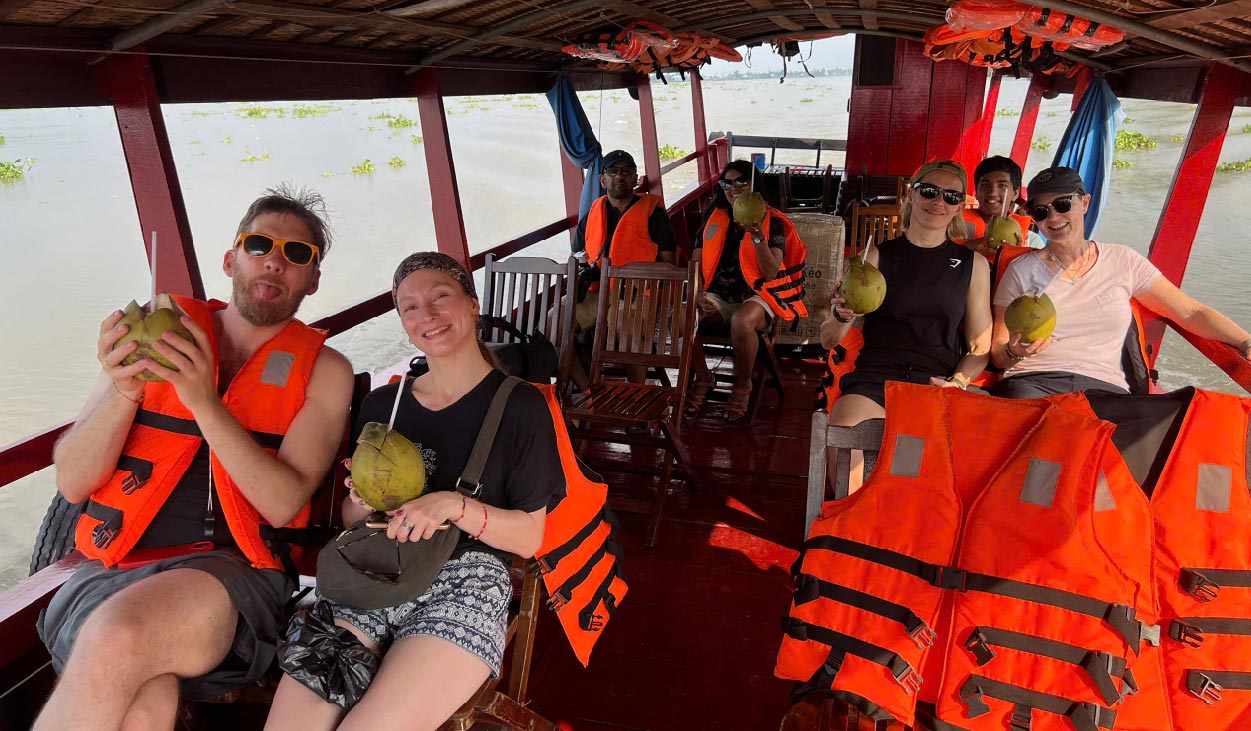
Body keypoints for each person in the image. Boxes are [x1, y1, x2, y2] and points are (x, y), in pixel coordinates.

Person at [35, 186, 355, 731]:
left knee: (117, 635)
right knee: (146, 706)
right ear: (231, 260)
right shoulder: (153, 335)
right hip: (112, 564)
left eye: (297, 254)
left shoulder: (325, 371)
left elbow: (281, 504)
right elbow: (73, 481)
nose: (275, 261)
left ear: (312, 280)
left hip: (231, 574)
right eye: (260, 244)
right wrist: (125, 389)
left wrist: (203, 401)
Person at [265, 252, 564, 731]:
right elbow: (353, 521)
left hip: (467, 581)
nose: (427, 314)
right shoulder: (386, 403)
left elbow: (530, 539)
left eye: (440, 297)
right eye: (410, 307)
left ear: (472, 303)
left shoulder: (520, 404)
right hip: (374, 571)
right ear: (403, 323)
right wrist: (361, 502)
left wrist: (454, 505)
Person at [991, 165, 1251, 398]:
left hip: (1105, 389)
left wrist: (1245, 340)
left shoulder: (1123, 260)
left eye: (1062, 204)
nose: (1053, 217)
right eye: (1041, 211)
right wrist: (1015, 352)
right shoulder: (1021, 271)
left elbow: (1191, 312)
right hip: (1034, 382)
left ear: (1085, 202)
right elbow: (998, 354)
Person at [821, 158, 992, 428]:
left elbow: (979, 349)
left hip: (937, 381)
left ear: (959, 207)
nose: (939, 201)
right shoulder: (873, 259)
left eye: (951, 196)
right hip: (877, 380)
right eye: (929, 191)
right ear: (911, 195)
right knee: (845, 438)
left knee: (930, 451)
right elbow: (828, 339)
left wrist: (957, 383)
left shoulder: (973, 265)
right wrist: (842, 315)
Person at [686, 160, 807, 422]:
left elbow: (771, 273)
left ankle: (743, 385)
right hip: (719, 294)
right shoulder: (714, 216)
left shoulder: (773, 221)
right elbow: (695, 261)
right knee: (683, 318)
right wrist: (696, 294)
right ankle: (704, 377)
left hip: (759, 295)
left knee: (742, 321)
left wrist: (757, 236)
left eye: (742, 181)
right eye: (727, 183)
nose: (734, 188)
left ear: (755, 186)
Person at [566, 149, 677, 388]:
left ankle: (637, 391)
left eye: (626, 172)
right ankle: (585, 390)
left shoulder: (654, 215)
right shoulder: (592, 214)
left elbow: (669, 263)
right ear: (602, 180)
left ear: (635, 179)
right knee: (555, 321)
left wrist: (640, 277)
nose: (619, 176)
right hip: (597, 292)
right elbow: (576, 256)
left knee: (624, 325)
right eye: (613, 171)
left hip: (637, 293)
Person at [958, 155, 1044, 255]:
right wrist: (962, 251)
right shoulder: (952, 226)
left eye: (1002, 185)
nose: (993, 192)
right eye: (986, 185)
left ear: (1015, 193)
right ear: (976, 192)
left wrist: (1019, 257)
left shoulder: (1032, 241)